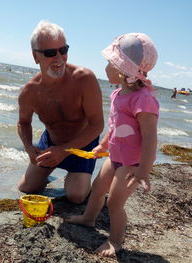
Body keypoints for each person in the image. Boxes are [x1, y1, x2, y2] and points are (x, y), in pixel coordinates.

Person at [67, 33, 159, 256]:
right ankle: (89, 219)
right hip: (115, 156)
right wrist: (103, 146)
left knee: (115, 203)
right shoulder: (118, 94)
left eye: (110, 62)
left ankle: (115, 241)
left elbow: (149, 136)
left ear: (123, 69)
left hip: (132, 163)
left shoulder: (143, 99)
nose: (106, 67)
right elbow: (115, 126)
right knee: (97, 189)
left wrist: (143, 169)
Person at [17, 20, 104, 204]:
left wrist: (64, 151)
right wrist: (29, 148)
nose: (59, 58)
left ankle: (85, 181)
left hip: (83, 146)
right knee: (26, 188)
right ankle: (53, 176)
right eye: (50, 53)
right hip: (52, 142)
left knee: (76, 196)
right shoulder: (30, 91)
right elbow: (24, 123)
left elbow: (97, 125)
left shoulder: (84, 79)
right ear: (35, 56)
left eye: (63, 50)